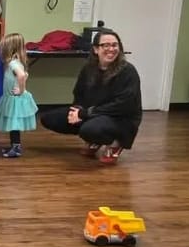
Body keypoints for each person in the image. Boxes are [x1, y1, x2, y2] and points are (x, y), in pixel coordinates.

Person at [40, 29, 142, 165]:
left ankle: (116, 142)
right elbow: (79, 93)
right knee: (49, 118)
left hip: (120, 119)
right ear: (95, 49)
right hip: (93, 113)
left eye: (115, 45)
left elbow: (123, 105)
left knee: (89, 130)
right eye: (106, 45)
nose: (111, 49)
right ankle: (96, 139)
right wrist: (77, 110)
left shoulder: (128, 71)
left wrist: (84, 113)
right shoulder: (89, 69)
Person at [0, 33, 39, 158]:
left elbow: (22, 75)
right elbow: (24, 74)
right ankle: (14, 145)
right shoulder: (14, 62)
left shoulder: (14, 63)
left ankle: (16, 148)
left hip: (15, 100)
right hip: (11, 98)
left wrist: (22, 90)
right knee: (13, 125)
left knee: (14, 125)